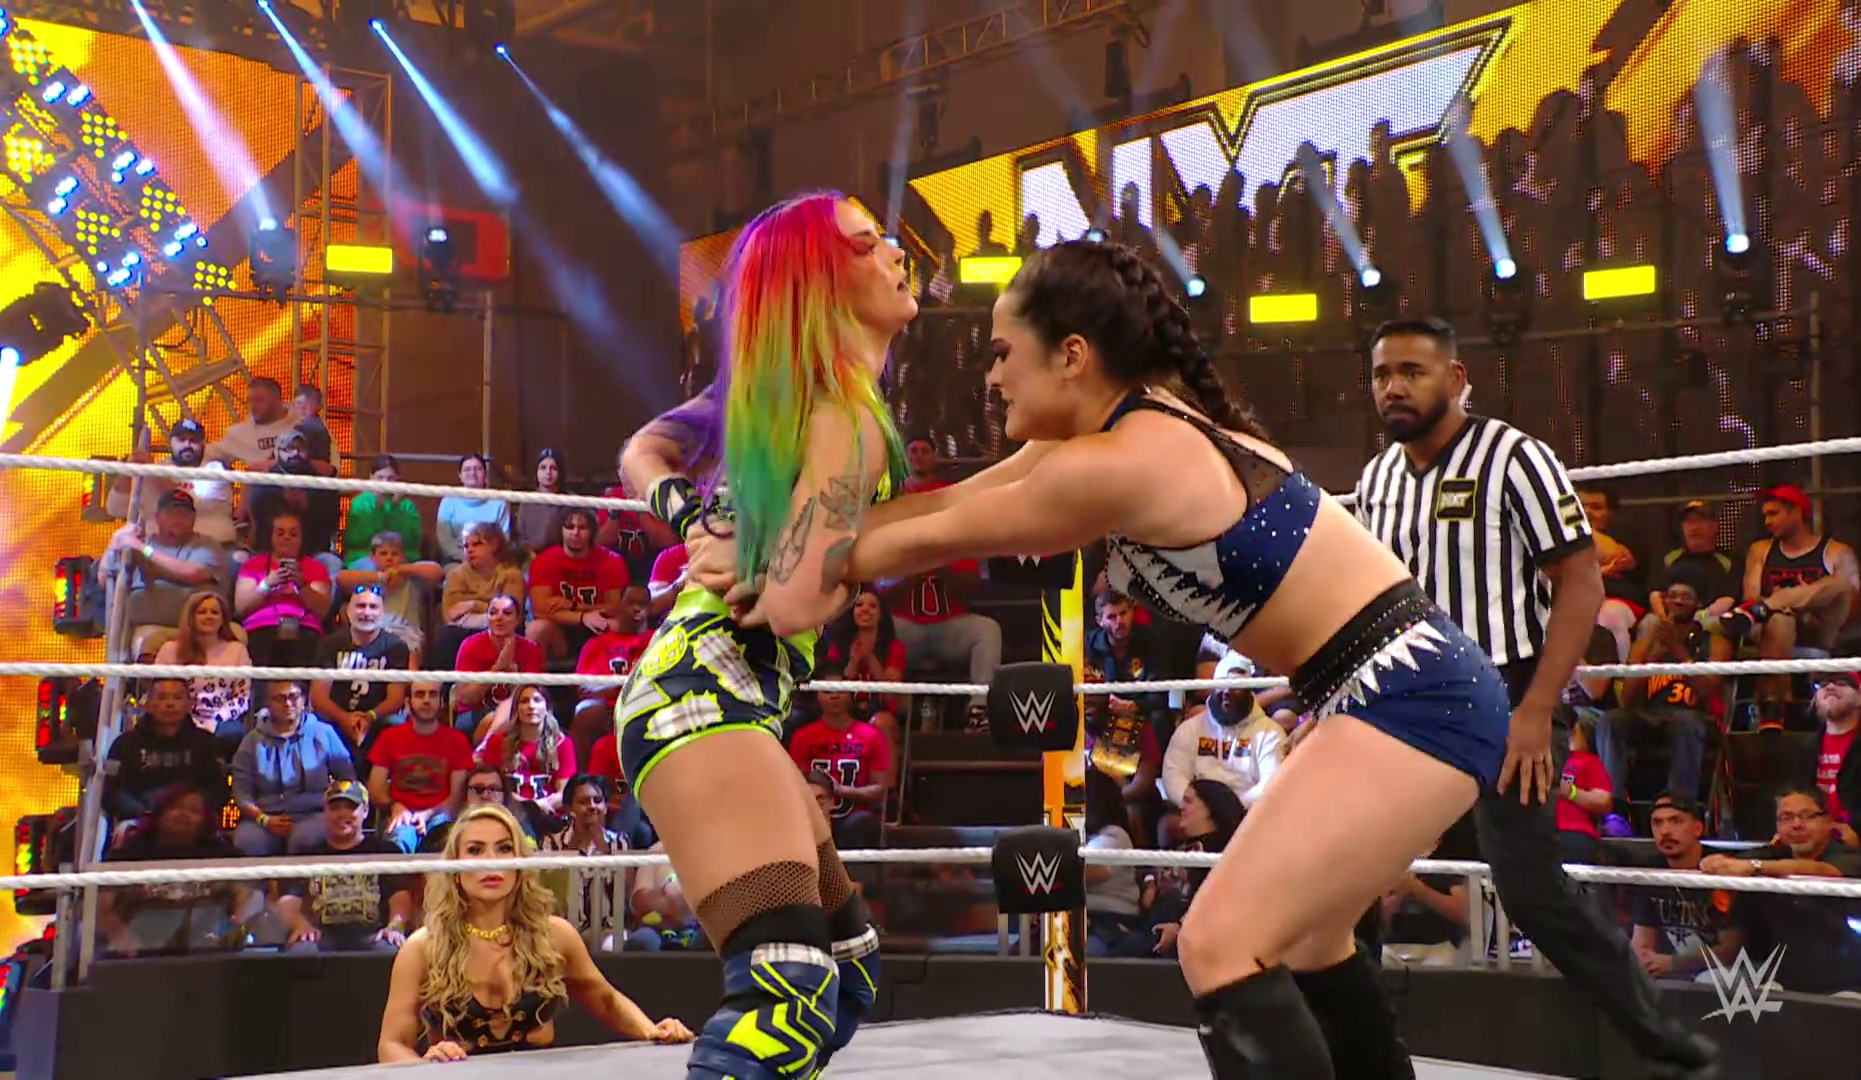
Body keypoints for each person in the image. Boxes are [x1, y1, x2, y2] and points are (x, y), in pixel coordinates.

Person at [696, 240, 1509, 1079]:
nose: (991, 379)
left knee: (1220, 943)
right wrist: (768, 540)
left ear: (1072, 355)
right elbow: (941, 503)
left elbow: (907, 545)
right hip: (1380, 687)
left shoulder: (1119, 462)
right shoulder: (1109, 430)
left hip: (1411, 689)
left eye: (1003, 354)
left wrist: (763, 555)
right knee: (1307, 941)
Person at [1353, 316, 1718, 1078]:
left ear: (1456, 379)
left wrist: (1536, 712)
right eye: (1383, 373)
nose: (1394, 387)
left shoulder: (1514, 457)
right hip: (1409, 697)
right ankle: (1367, 1053)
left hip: (1507, 694)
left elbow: (1580, 583)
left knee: (1530, 888)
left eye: (1412, 371)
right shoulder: (1378, 477)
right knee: (1349, 868)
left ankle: (1668, 1047)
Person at [613, 191, 914, 1080]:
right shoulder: (832, 412)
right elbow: (789, 606)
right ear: (820, 282)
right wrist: (705, 526)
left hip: (732, 698)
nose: (897, 251)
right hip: (702, 697)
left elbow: (644, 453)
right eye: (867, 243)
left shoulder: (800, 400)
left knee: (845, 975)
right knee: (788, 993)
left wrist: (751, 546)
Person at [375, 805, 692, 1060]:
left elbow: (605, 999)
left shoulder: (553, 935)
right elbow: (391, 1045)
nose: (490, 862)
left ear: (520, 863)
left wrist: (653, 1030)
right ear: (455, 868)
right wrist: (426, 1068)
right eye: (475, 850)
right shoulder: (424, 948)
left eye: (503, 849)